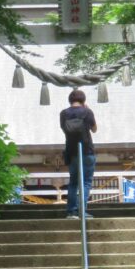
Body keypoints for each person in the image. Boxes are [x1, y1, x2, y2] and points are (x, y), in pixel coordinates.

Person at [60, 88, 98, 219]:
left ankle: (71, 212)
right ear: (83, 100)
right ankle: (82, 211)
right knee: (86, 182)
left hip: (71, 152)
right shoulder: (87, 112)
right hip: (87, 151)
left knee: (73, 182)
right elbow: (94, 129)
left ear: (70, 100)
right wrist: (87, 110)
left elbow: (65, 130)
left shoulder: (63, 114)